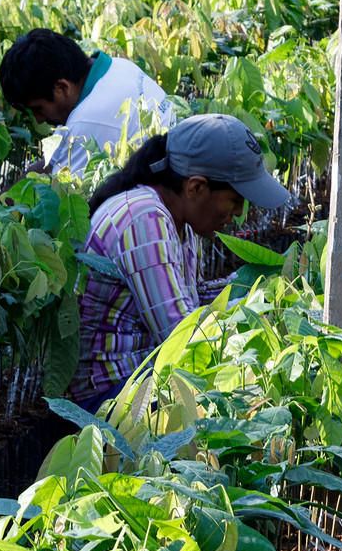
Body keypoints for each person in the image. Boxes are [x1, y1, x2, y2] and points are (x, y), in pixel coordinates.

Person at [73, 113, 293, 411]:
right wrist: (261, 325)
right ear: (196, 188)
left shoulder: (180, 219)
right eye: (235, 200)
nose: (238, 214)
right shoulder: (145, 220)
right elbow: (182, 336)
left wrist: (259, 287)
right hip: (108, 398)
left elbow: (189, 298)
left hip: (141, 382)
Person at [0, 28, 177, 175]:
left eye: (38, 108)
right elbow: (50, 164)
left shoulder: (89, 121)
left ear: (62, 88)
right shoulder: (118, 66)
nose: (38, 119)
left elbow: (65, 199)